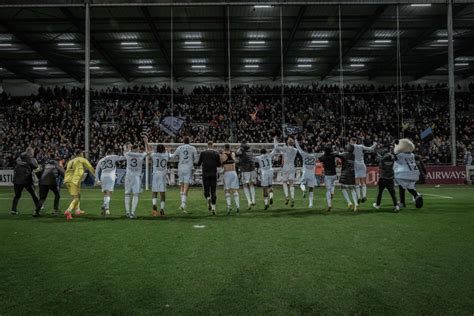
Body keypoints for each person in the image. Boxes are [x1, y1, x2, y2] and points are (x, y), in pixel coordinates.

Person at [63, 149, 96, 221]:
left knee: (77, 195)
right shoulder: (82, 159)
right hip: (74, 181)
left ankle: (77, 210)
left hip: (67, 180)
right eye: (82, 153)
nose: (83, 154)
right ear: (81, 154)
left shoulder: (70, 161)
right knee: (76, 198)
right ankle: (68, 211)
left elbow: (67, 170)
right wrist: (96, 176)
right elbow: (90, 168)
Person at [393, 139, 423, 209]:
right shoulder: (412, 154)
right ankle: (416, 196)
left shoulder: (400, 155)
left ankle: (402, 203)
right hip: (414, 174)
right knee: (410, 188)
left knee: (401, 185)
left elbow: (393, 158)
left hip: (405, 173)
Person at [95, 148, 126, 216]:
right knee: (109, 193)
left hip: (103, 176)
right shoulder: (113, 157)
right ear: (111, 153)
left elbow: (96, 170)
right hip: (110, 176)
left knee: (105, 193)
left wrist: (97, 180)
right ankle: (104, 205)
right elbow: (123, 158)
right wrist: (126, 151)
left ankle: (107, 209)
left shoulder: (101, 160)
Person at [123, 136, 148, 219]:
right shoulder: (141, 155)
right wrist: (146, 142)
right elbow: (148, 152)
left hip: (128, 176)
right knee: (136, 194)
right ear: (137, 149)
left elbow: (124, 151)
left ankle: (127, 212)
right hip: (136, 177)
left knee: (127, 194)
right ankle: (132, 213)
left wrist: (128, 147)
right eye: (138, 148)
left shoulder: (128, 154)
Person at [171, 137, 198, 213]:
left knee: (182, 186)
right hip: (188, 168)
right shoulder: (192, 148)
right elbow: (196, 160)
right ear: (189, 141)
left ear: (183, 141)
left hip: (180, 167)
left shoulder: (179, 147)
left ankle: (182, 205)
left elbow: (173, 156)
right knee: (186, 187)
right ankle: (183, 204)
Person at [33, 153, 64, 217]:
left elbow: (37, 172)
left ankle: (36, 211)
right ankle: (55, 210)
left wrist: (40, 179)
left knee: (42, 198)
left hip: (42, 182)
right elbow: (63, 173)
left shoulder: (45, 164)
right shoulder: (56, 164)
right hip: (52, 182)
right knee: (57, 194)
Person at [10, 147, 40, 215]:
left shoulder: (18, 158)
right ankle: (38, 208)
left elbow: (14, 163)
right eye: (33, 153)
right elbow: (36, 166)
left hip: (17, 179)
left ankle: (13, 210)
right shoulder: (31, 159)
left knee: (17, 195)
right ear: (31, 152)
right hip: (26, 179)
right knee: (33, 194)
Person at [295, 138, 321, 208]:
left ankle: (303, 190)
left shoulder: (304, 154)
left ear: (306, 150)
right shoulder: (314, 156)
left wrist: (295, 140)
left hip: (305, 172)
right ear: (312, 151)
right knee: (311, 189)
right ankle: (310, 204)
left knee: (302, 184)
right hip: (312, 174)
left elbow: (299, 149)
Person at [196, 141, 221, 215]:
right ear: (212, 146)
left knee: (206, 191)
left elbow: (198, 163)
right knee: (213, 192)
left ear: (207, 146)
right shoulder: (216, 154)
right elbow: (219, 165)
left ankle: (208, 198)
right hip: (213, 174)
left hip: (205, 174)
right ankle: (213, 208)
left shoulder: (203, 153)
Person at [350, 137, 377, 203]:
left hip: (356, 165)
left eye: (350, 141)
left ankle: (359, 197)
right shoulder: (361, 146)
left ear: (352, 141)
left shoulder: (351, 147)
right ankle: (364, 196)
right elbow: (370, 149)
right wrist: (375, 144)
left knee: (357, 183)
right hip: (362, 164)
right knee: (363, 182)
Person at [149, 144, 171, 217]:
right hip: (162, 175)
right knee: (162, 193)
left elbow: (148, 152)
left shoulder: (154, 155)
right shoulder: (166, 155)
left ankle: (154, 205)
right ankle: (162, 209)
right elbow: (171, 156)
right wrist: (168, 151)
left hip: (155, 174)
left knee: (154, 192)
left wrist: (146, 142)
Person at [274, 137, 297, 207]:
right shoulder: (295, 150)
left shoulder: (285, 148)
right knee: (291, 183)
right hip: (292, 167)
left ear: (287, 142)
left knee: (284, 182)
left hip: (286, 167)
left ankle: (287, 196)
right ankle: (292, 198)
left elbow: (276, 147)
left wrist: (275, 140)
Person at [335, 144, 359, 212]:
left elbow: (337, 155)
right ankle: (356, 204)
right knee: (352, 189)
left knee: (343, 188)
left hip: (345, 173)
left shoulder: (345, 154)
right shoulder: (353, 155)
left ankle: (349, 202)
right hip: (352, 173)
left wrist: (337, 150)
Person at [255, 142, 277, 210]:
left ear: (261, 153)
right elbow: (275, 150)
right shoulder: (269, 155)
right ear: (266, 152)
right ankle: (271, 197)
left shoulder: (258, 157)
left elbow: (251, 159)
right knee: (270, 186)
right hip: (270, 171)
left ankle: (266, 203)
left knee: (264, 189)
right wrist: (275, 142)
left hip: (264, 173)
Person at [220, 143, 240, 215]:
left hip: (227, 173)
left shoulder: (222, 155)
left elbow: (221, 165)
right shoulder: (233, 153)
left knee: (227, 190)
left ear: (224, 148)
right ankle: (238, 206)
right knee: (234, 190)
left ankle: (229, 207)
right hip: (234, 173)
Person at [236, 140, 257, 209]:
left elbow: (237, 153)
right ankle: (253, 200)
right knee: (251, 184)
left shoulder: (242, 151)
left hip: (245, 170)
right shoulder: (250, 151)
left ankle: (249, 201)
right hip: (252, 170)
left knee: (245, 185)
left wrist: (240, 148)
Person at [318, 146, 337, 211]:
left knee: (327, 190)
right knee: (333, 184)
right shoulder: (333, 155)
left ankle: (329, 205)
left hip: (327, 174)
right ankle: (332, 192)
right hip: (334, 173)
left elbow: (319, 159)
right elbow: (336, 153)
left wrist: (324, 153)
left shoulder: (323, 157)